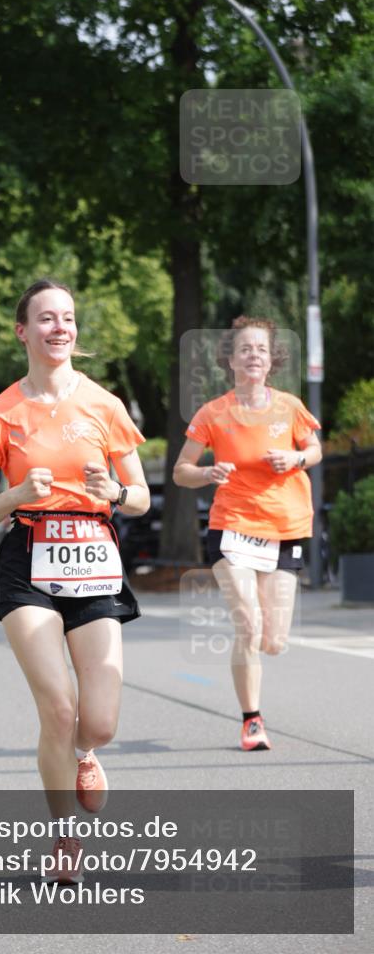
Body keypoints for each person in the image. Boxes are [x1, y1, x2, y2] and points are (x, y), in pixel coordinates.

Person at [0, 278, 150, 881]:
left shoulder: (104, 404)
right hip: (28, 558)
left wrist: (114, 492)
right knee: (57, 707)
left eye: (67, 317)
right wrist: (17, 493)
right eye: (46, 318)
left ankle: (86, 753)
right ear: (23, 331)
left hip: (94, 556)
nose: (59, 327)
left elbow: (141, 496)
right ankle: (65, 836)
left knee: (98, 722)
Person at [173, 316, 322, 751]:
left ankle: (258, 652)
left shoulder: (290, 407)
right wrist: (207, 472)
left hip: (285, 527)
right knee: (249, 625)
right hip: (232, 525)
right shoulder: (213, 412)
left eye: (261, 349)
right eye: (245, 349)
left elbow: (315, 449)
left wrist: (295, 459)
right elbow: (181, 471)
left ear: (271, 360)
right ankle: (252, 721)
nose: (253, 355)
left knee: (273, 641)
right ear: (231, 360)